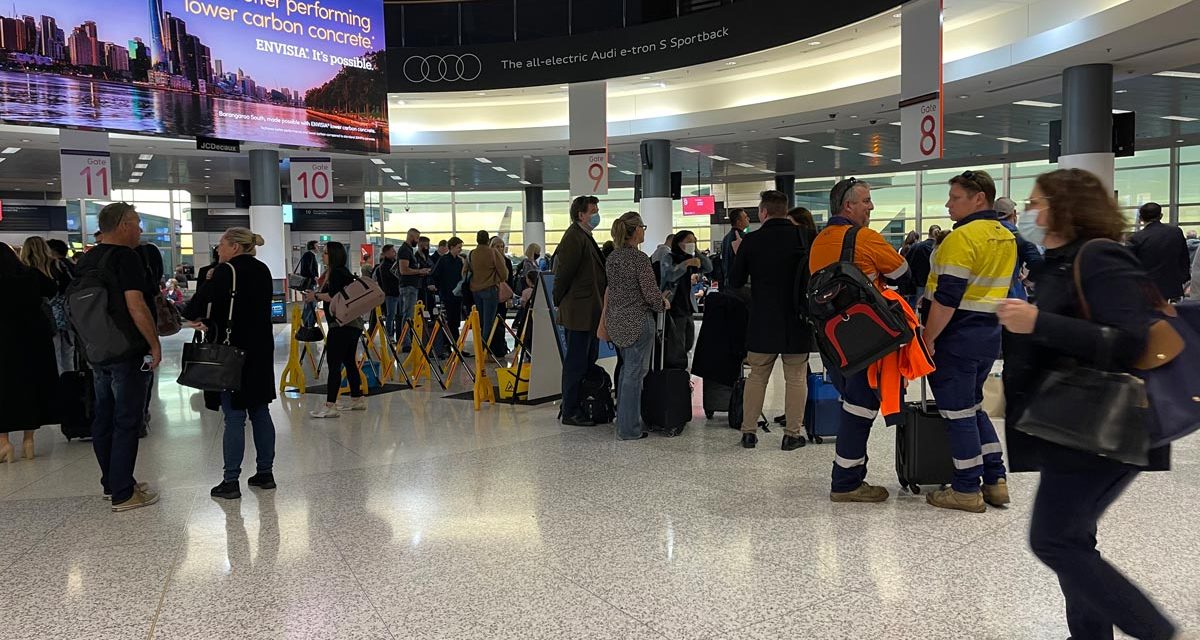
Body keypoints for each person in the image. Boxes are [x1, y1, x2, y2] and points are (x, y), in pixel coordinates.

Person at [998, 168, 1184, 640]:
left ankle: (1157, 631)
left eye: (1038, 202)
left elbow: (1129, 341)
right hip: (1071, 422)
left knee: (1054, 538)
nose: (1030, 212)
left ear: (1066, 207)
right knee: (1073, 538)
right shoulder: (1057, 260)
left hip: (1101, 424)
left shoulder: (1100, 256)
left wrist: (1037, 322)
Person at [919, 170, 1016, 513]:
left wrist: (929, 337)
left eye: (955, 197)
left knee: (957, 414)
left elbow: (947, 297)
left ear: (979, 199)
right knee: (973, 408)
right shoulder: (1005, 236)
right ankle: (995, 480)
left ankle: (965, 489)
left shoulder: (961, 238)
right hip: (988, 335)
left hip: (955, 336)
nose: (948, 204)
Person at [809, 178, 911, 503]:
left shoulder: (820, 239)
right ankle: (846, 482)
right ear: (847, 206)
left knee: (852, 401)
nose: (871, 207)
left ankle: (852, 473)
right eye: (865, 201)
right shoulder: (864, 237)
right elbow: (902, 273)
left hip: (830, 337)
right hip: (865, 336)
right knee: (861, 405)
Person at [75, 203, 161, 511]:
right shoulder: (126, 257)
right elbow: (136, 305)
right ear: (123, 225)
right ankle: (124, 492)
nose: (140, 230)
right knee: (127, 419)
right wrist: (154, 344)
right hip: (126, 349)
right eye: (137, 223)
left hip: (97, 350)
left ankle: (112, 483)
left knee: (104, 416)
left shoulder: (87, 259)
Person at [182, 228, 277, 500]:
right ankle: (265, 473)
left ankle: (230, 480)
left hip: (231, 351)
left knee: (234, 415)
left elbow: (194, 308)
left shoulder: (225, 271)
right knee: (260, 410)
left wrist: (209, 284)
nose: (218, 249)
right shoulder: (263, 270)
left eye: (221, 244)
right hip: (259, 348)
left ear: (235, 246)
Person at [729, 191, 812, 451]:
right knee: (796, 377)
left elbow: (735, 282)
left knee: (757, 376)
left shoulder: (751, 241)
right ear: (785, 210)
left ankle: (749, 433)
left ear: (763, 212)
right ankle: (792, 434)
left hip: (763, 319)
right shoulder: (806, 237)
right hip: (797, 319)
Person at [601, 212, 667, 441]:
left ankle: (624, 422)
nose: (644, 231)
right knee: (634, 373)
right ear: (635, 230)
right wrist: (662, 302)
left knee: (626, 372)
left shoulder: (612, 258)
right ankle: (629, 429)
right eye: (643, 227)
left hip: (616, 321)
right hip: (638, 321)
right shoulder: (639, 260)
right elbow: (650, 293)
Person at [0, 242, 58, 463]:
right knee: (32, 385)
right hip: (35, 338)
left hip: (3, 340)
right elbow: (52, 289)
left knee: (4, 388)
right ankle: (28, 441)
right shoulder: (30, 275)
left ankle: (4, 442)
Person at [553, 195, 607, 427]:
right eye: (592, 210)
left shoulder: (585, 236)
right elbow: (564, 274)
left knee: (587, 359)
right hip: (579, 311)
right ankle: (571, 409)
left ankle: (580, 403)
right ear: (580, 214)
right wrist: (558, 299)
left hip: (589, 310)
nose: (596, 214)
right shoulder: (573, 238)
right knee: (576, 362)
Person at [306, 241, 367, 418]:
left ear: (333, 255)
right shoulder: (342, 272)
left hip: (341, 325)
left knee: (334, 364)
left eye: (325, 253)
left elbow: (334, 296)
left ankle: (330, 405)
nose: (322, 256)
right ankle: (357, 398)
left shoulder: (338, 273)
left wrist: (315, 296)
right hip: (351, 324)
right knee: (349, 362)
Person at [658, 230, 712, 370]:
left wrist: (697, 251)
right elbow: (669, 275)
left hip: (688, 306)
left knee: (688, 341)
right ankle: (676, 371)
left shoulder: (691, 257)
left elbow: (708, 267)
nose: (691, 243)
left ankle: (681, 370)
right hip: (674, 306)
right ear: (679, 242)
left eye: (694, 241)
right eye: (688, 241)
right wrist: (686, 264)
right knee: (677, 344)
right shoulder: (669, 257)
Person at [21, 236, 75, 373]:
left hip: (43, 319)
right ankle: (71, 387)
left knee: (52, 357)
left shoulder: (25, 271)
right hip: (66, 315)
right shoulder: (59, 265)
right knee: (68, 354)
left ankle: (58, 387)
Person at [1129, 202, 1190, 302]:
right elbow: (1184, 258)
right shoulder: (1176, 232)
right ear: (1161, 216)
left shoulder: (1136, 238)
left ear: (1141, 218)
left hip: (1147, 290)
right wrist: (1183, 278)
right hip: (1173, 287)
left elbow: (1130, 265)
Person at [995, 196, 1044, 301]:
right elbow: (1037, 262)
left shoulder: (985, 233)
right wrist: (1028, 281)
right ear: (1013, 214)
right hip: (1012, 297)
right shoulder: (1018, 237)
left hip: (984, 299)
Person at [469, 230, 509, 357]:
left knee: (480, 321)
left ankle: (480, 348)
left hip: (475, 290)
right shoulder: (493, 253)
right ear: (488, 240)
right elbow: (503, 273)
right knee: (489, 322)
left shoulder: (472, 253)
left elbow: (465, 271)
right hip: (490, 289)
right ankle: (483, 350)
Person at [396, 228, 432, 351]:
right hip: (408, 287)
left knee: (409, 314)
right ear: (411, 237)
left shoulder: (409, 250)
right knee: (408, 314)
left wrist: (419, 272)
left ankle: (408, 340)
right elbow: (403, 270)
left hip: (412, 285)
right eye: (417, 238)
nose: (417, 241)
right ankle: (406, 343)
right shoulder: (404, 250)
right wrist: (419, 271)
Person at [430, 237, 465, 357]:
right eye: (458, 247)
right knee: (449, 321)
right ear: (451, 247)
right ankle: (449, 345)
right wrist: (438, 288)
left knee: (455, 322)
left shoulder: (459, 261)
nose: (460, 250)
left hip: (457, 295)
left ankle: (456, 345)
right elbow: (435, 275)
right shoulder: (443, 260)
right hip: (447, 294)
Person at [489, 235, 514, 357]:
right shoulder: (488, 261)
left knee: (501, 322)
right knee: (491, 322)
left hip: (502, 295)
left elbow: (510, 281)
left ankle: (500, 347)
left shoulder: (507, 261)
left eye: (502, 246)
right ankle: (492, 347)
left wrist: (510, 297)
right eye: (497, 246)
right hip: (491, 294)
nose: (500, 249)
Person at [905, 225, 941, 301]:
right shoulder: (942, 248)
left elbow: (907, 264)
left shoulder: (917, 247)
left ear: (929, 233)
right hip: (938, 284)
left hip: (919, 283)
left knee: (919, 307)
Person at [374, 244, 402, 341]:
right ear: (386, 253)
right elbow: (392, 279)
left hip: (397, 293)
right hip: (390, 293)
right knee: (391, 314)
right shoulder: (384, 266)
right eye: (392, 251)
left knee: (398, 314)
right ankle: (389, 334)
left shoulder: (394, 263)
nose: (394, 252)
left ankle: (398, 334)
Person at [298, 240, 321, 327]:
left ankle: (309, 323)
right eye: (317, 245)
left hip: (310, 282)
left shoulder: (310, 255)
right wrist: (314, 277)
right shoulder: (309, 255)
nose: (318, 247)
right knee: (311, 303)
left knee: (311, 303)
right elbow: (308, 268)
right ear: (312, 247)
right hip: (310, 283)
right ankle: (305, 323)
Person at [721, 208, 749, 277]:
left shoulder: (726, 238)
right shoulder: (743, 237)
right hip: (740, 280)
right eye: (745, 217)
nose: (748, 219)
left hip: (728, 278)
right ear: (739, 222)